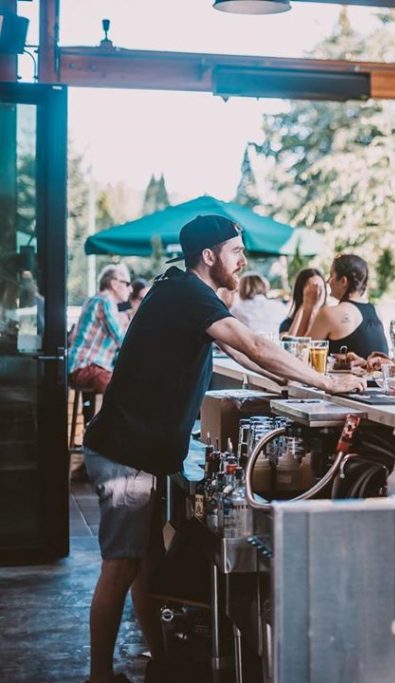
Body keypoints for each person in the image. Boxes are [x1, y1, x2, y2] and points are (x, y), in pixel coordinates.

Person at [81, 215, 363, 683]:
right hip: (126, 453)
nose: (243, 260)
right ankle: (97, 676)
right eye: (236, 251)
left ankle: (159, 658)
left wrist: (291, 384)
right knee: (121, 565)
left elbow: (242, 352)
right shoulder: (188, 293)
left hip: (136, 450)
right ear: (208, 256)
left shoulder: (181, 291)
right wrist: (324, 379)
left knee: (144, 559)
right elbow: (250, 342)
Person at [68, 264, 132, 399]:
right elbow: (123, 340)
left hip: (81, 368)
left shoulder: (95, 300)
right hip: (85, 368)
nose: (130, 289)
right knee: (128, 388)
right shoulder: (104, 301)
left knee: (127, 384)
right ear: (114, 283)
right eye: (127, 283)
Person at [308, 254, 389, 359]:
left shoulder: (328, 314)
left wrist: (308, 306)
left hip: (343, 375)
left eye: (331, 275)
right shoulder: (376, 311)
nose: (328, 281)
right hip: (376, 375)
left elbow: (305, 357)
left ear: (343, 281)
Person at [230, 273, 288, 338]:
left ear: (241, 288)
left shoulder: (236, 309)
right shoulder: (279, 306)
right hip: (274, 345)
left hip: (247, 346)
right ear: (264, 286)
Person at [280, 268, 327, 338]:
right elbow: (289, 345)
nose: (317, 292)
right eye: (312, 288)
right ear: (301, 292)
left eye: (321, 287)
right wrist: (305, 308)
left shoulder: (328, 320)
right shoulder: (288, 324)